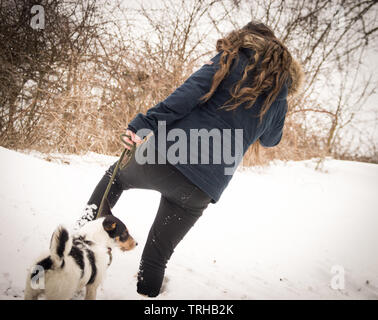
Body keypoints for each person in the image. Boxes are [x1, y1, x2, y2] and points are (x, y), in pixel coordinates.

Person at [75, 21, 303, 297]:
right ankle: (147, 296)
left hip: (163, 156)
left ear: (247, 40)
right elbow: (270, 140)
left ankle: (78, 243)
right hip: (202, 188)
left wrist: (143, 124)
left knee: (117, 177)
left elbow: (186, 95)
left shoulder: (230, 58)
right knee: (158, 255)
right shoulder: (279, 95)